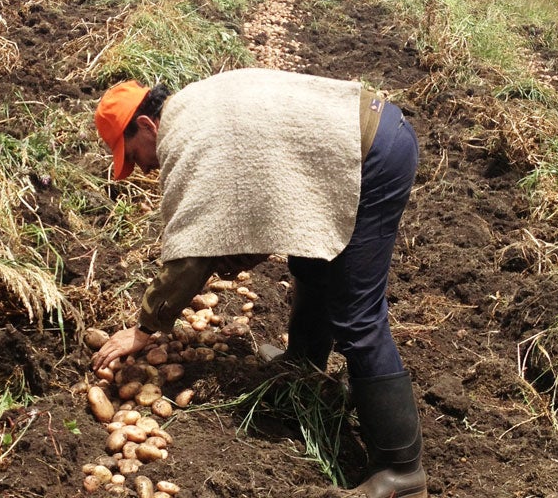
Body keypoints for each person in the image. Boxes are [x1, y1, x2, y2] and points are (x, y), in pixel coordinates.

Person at [91, 68, 427, 498]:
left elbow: (191, 254)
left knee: (357, 315)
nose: (141, 166)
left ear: (145, 125)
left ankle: (402, 470)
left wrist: (144, 328)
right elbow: (254, 193)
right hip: (341, 150)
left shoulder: (185, 139)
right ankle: (303, 367)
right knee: (312, 263)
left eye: (133, 154)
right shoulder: (192, 108)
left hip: (371, 155)